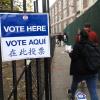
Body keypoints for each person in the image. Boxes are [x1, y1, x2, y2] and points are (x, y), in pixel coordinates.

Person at [69, 29, 99, 100]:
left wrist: (70, 53)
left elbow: (74, 56)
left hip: (80, 72)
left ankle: (72, 96)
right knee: (93, 91)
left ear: (81, 36)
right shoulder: (93, 44)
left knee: (74, 84)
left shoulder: (77, 45)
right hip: (92, 71)